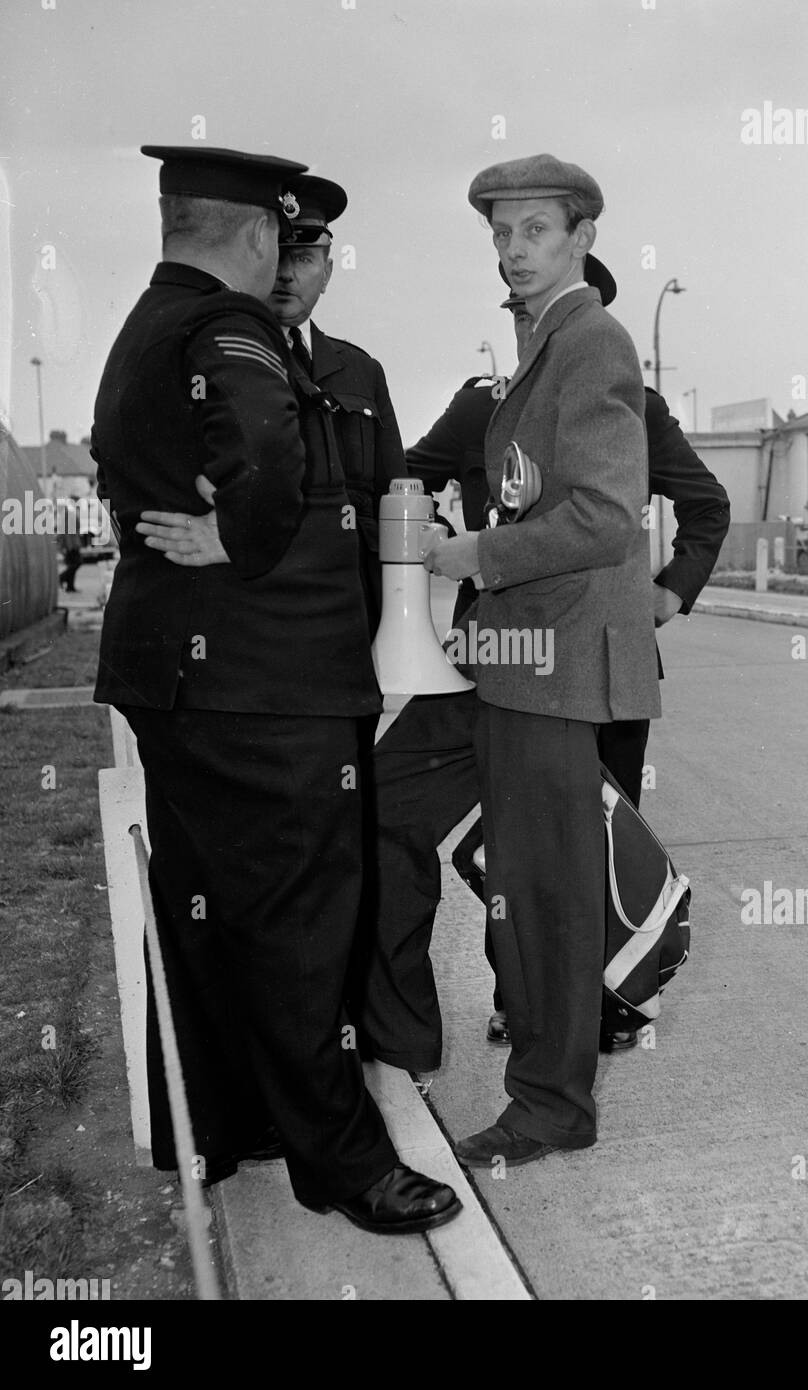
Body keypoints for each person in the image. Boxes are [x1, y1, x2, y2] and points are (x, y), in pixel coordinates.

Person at [92, 145, 458, 1234]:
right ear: (257, 235)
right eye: (281, 237)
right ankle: (344, 1164)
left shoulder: (144, 325)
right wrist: (244, 533)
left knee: (213, 916)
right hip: (263, 689)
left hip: (188, 684)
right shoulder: (227, 327)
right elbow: (264, 449)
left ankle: (226, 1120)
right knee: (301, 927)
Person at [356, 255, 729, 1074]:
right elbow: (398, 486)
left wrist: (668, 595)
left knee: (587, 847)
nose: (531, 326)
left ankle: (604, 1006)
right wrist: (428, 546)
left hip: (601, 666)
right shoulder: (481, 406)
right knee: (489, 839)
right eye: (520, 310)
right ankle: (497, 1004)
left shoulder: (632, 401)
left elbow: (707, 505)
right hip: (494, 658)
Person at [421, 153, 661, 1167]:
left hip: (557, 665)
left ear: (583, 237)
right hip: (509, 656)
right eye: (501, 232)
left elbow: (605, 516)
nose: (512, 249)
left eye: (534, 231)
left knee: (547, 892)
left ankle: (553, 1103)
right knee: (406, 811)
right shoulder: (538, 343)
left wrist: (477, 552)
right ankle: (389, 1029)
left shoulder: (592, 341)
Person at [267, 176, 408, 636]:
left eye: (304, 258)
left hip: (353, 618)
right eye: (277, 255)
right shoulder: (227, 358)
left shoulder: (362, 372)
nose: (287, 273)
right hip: (265, 614)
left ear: (326, 274)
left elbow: (395, 501)